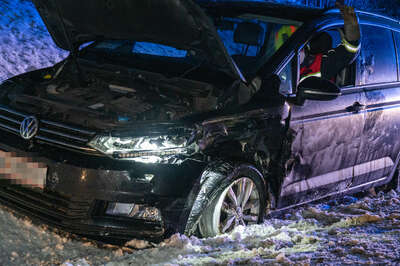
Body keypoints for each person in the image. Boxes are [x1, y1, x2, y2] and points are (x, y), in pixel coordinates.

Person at [299, 2, 361, 83]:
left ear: (305, 46)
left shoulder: (321, 65)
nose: (298, 51)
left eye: (300, 49)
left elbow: (349, 51)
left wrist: (351, 26)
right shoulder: (284, 64)